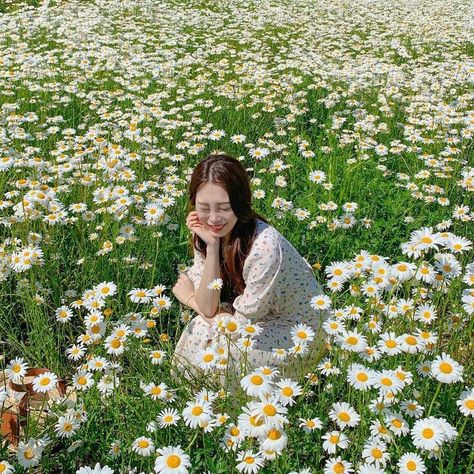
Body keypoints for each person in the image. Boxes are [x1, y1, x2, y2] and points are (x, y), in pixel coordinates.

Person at [171, 154, 329, 385]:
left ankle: (236, 408)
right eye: (204, 207)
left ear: (240, 202)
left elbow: (241, 330)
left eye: (224, 208)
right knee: (202, 327)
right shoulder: (206, 232)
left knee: (230, 350)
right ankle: (197, 398)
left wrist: (189, 299)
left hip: (297, 331)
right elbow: (209, 306)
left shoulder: (265, 246)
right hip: (253, 319)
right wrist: (213, 248)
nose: (213, 218)